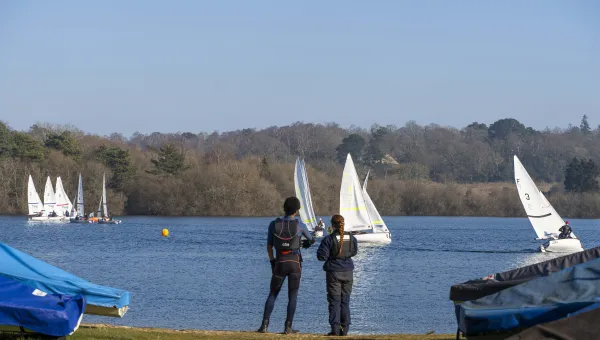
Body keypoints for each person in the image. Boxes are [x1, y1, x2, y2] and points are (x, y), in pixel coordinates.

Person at [257, 197, 315, 334]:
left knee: (273, 293)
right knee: (293, 295)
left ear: (284, 208)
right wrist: (306, 243)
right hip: (295, 263)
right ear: (296, 210)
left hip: (280, 262)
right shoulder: (299, 224)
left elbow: (269, 246)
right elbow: (312, 239)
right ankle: (288, 327)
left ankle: (264, 326)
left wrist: (272, 261)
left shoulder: (273, 224)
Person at [317, 215, 358, 336]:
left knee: (334, 301)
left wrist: (331, 256)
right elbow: (354, 252)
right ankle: (345, 330)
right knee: (345, 301)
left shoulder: (329, 239)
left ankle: (335, 330)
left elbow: (321, 256)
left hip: (334, 272)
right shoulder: (351, 238)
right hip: (348, 272)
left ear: (332, 225)